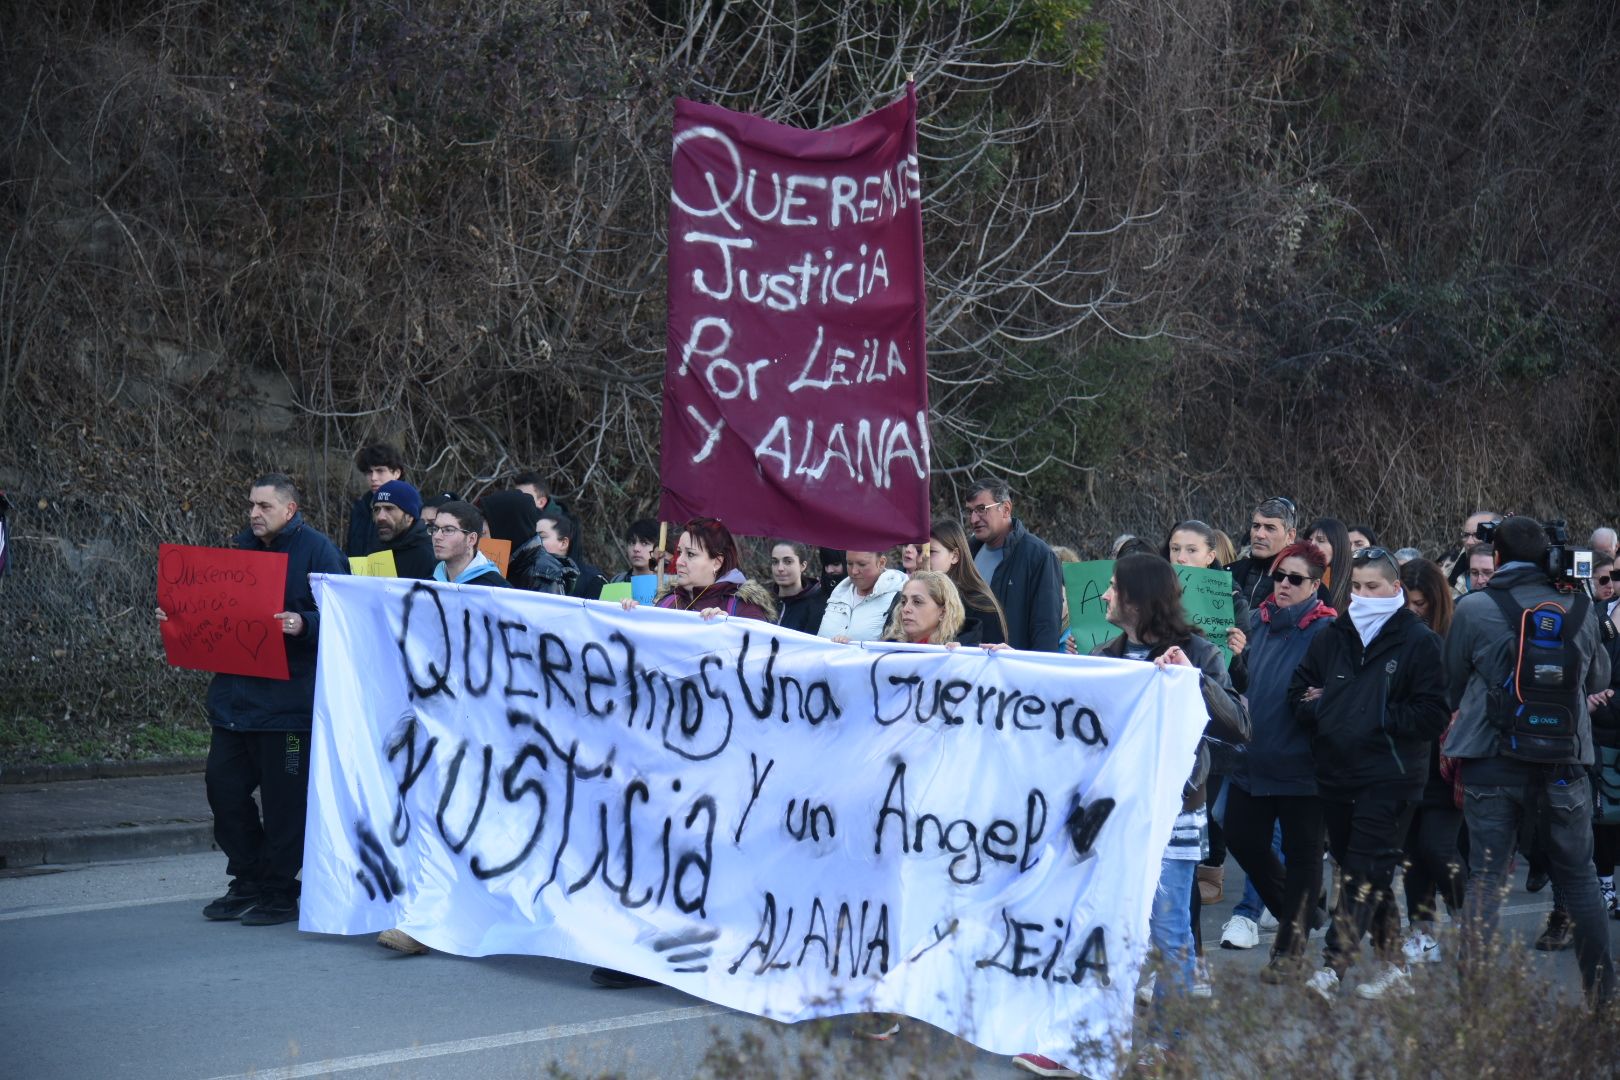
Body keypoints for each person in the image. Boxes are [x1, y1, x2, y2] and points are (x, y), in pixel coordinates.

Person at [156, 474, 346, 925]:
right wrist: (176, 614)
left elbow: (344, 615)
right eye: (251, 505)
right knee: (223, 791)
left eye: (264, 505)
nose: (254, 513)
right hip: (235, 705)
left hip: (290, 709)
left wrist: (304, 624)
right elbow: (213, 611)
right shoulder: (237, 551)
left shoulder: (318, 552)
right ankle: (248, 878)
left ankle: (281, 888)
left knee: (286, 804)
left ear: (290, 510)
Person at [1444, 516, 1615, 1004]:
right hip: (1564, 763)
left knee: (1487, 879)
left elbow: (1452, 680)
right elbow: (1598, 677)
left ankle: (1474, 1006)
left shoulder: (1474, 608)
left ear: (1495, 558)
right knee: (1578, 875)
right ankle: (1602, 998)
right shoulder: (1579, 607)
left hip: (1491, 763)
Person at [1290, 547, 1449, 1001]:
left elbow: (1432, 714)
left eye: (1372, 587)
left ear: (1395, 589)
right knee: (1368, 870)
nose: (1362, 596)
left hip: (1393, 776)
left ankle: (1331, 969)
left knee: (1363, 870)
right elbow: (1297, 694)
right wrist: (1328, 709)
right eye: (1356, 587)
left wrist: (1368, 711)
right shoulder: (1334, 635)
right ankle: (1395, 966)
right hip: (1337, 772)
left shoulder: (1419, 642)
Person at [1095, 556, 1250, 1022]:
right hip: (1116, 814)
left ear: (1137, 599)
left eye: (1112, 587)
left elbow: (1239, 726)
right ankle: (1094, 1038)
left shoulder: (1201, 654)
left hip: (1174, 815)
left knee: (1168, 931)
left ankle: (1169, 1043)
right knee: (1106, 927)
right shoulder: (1106, 656)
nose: (1103, 595)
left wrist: (1194, 680)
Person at [1224, 540, 1337, 980]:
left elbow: (1336, 690)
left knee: (1303, 853)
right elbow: (1246, 683)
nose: (1284, 584)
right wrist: (1238, 658)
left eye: (1296, 578)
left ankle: (1289, 951)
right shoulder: (1257, 621)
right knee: (1242, 838)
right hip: (1254, 757)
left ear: (1315, 584)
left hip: (1302, 762)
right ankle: (1302, 911)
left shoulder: (1327, 630)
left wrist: (1325, 696)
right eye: (1279, 576)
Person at [1393, 557, 1465, 965]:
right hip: (1406, 757)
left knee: (1437, 847)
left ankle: (1466, 918)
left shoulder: (1454, 635)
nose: (1413, 610)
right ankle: (1422, 932)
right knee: (1411, 852)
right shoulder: (1395, 634)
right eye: (1408, 602)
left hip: (1445, 758)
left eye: (1421, 603)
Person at [963, 478, 1063, 651]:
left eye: (981, 509)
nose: (973, 519)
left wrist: (1033, 672)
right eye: (970, 511)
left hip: (1014, 671)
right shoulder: (967, 554)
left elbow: (1046, 628)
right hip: (970, 668)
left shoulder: (1038, 556)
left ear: (1006, 509)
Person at [652, 517, 774, 621]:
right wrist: (634, 616)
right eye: (679, 552)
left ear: (717, 562)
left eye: (690, 554)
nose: (678, 561)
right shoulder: (667, 602)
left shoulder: (745, 608)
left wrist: (728, 628)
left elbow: (758, 647)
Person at [928, 518, 1008, 645]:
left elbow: (991, 657)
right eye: (921, 551)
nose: (923, 558)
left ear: (954, 556)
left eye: (931, 552)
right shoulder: (913, 597)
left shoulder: (980, 604)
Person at [482, 491, 572, 594]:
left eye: (488, 522)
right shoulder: (499, 561)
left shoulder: (544, 573)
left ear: (505, 526)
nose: (482, 532)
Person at [1226, 496, 1299, 614]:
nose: (1259, 534)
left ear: (1290, 536)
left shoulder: (1299, 583)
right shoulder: (1228, 573)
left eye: (1270, 528)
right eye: (1256, 526)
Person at [817, 550, 906, 642]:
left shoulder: (898, 599)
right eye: (849, 563)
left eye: (862, 564)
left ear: (881, 563)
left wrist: (853, 649)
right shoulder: (838, 594)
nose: (854, 571)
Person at [345, 443, 405, 557]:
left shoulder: (408, 507)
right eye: (369, 472)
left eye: (380, 471)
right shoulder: (360, 507)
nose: (373, 478)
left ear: (396, 473)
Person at [430, 501, 509, 587]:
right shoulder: (428, 582)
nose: (437, 536)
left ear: (471, 539)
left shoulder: (496, 590)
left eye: (448, 530)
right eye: (435, 528)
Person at [369, 480, 436, 579]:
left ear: (409, 516)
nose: (380, 517)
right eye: (376, 509)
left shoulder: (431, 557)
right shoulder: (375, 550)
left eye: (389, 509)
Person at [883, 570, 970, 645]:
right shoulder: (886, 649)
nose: (905, 609)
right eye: (903, 602)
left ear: (943, 612)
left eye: (917, 602)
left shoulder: (962, 653)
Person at [539, 506, 605, 599]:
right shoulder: (527, 574)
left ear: (563, 543)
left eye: (542, 537)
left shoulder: (593, 580)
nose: (536, 541)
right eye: (534, 537)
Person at [769, 540, 830, 635]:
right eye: (775, 562)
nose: (780, 568)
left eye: (788, 562)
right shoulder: (764, 604)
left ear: (803, 566)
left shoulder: (817, 605)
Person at [1443, 509, 1501, 594]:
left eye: (1478, 535)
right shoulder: (1447, 574)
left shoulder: (1515, 574)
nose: (1469, 542)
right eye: (1466, 535)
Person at [1304, 517, 1353, 614]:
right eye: (1309, 540)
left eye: (1321, 541)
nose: (1312, 545)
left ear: (1338, 547)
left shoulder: (1355, 586)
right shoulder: (1294, 577)